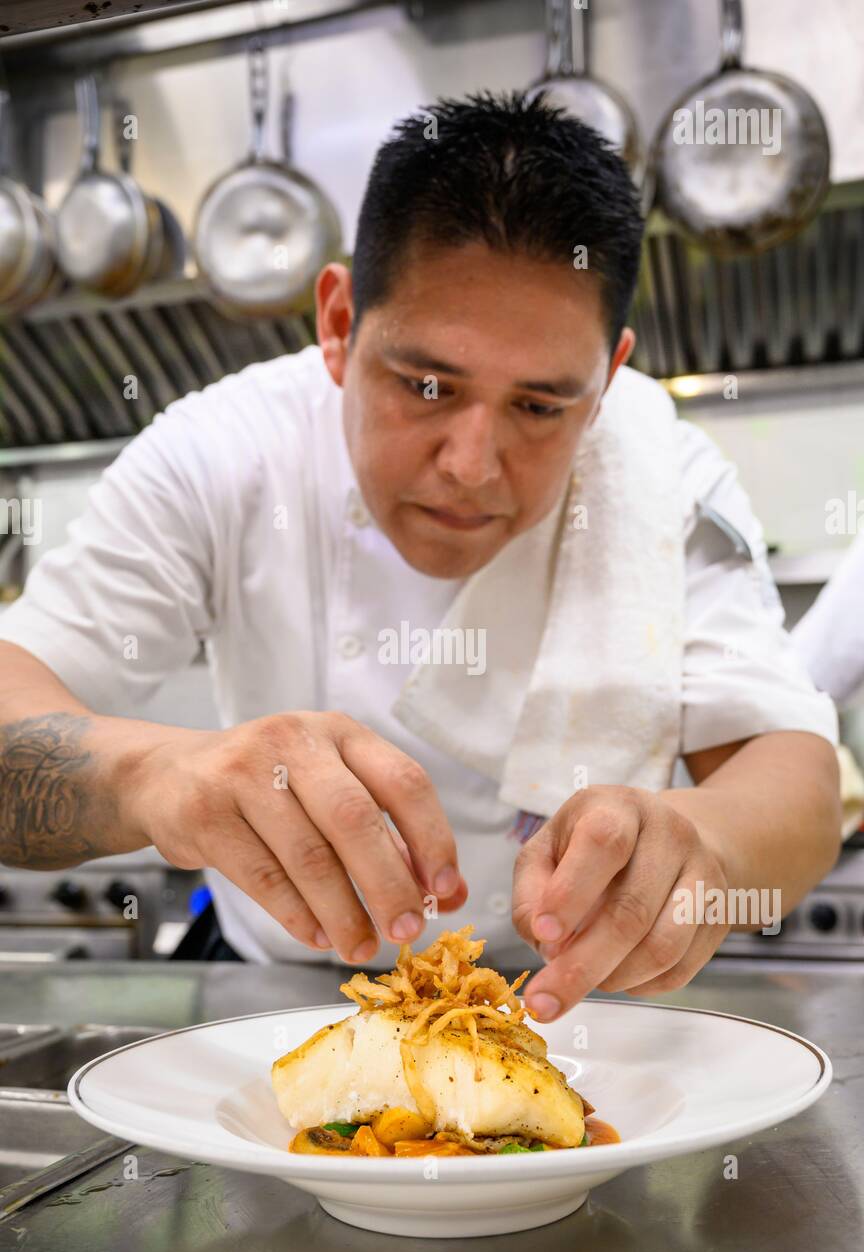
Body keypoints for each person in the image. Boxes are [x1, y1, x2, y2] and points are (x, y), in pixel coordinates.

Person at [0, 91, 841, 1021]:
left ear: (606, 381)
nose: (473, 468)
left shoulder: (663, 473)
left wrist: (702, 842)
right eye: (428, 385)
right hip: (271, 991)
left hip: (564, 1006)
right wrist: (153, 775)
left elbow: (793, 775)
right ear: (337, 322)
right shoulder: (223, 452)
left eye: (540, 406)